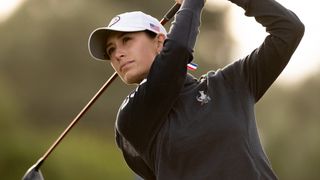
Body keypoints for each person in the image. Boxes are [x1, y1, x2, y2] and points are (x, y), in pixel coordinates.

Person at [88, 0, 304, 179]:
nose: (118, 54)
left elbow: (289, 29)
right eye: (111, 50)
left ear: (160, 41)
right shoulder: (131, 115)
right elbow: (178, 52)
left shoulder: (230, 84)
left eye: (126, 40)